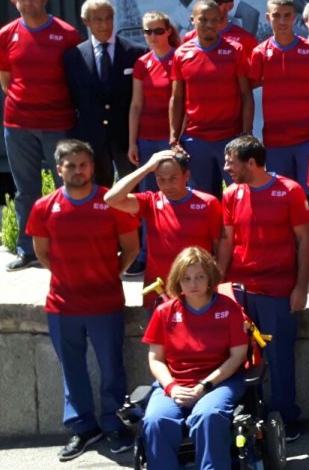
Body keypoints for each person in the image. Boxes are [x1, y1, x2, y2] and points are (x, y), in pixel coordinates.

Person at [30, 139, 139, 460]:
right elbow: (42, 252)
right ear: (58, 169)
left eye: (83, 165)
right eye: (71, 166)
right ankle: (83, 428)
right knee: (72, 369)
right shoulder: (44, 207)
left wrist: (110, 272)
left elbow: (131, 247)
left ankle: (115, 425)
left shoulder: (112, 203)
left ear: (92, 166)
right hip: (63, 306)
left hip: (105, 304)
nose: (78, 171)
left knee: (112, 368)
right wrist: (68, 276)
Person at [218, 135, 309, 441]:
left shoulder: (290, 191)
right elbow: (227, 241)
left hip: (277, 291)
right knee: (240, 357)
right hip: (240, 292)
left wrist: (301, 287)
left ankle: (286, 418)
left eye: (231, 162)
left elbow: (305, 240)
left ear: (251, 163)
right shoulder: (231, 193)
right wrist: (218, 284)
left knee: (279, 357)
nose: (226, 168)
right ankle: (247, 419)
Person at [141, 247, 249, 470]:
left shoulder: (229, 308)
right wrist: (171, 387)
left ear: (210, 278)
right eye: (186, 278)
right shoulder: (164, 312)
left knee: (208, 416)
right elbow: (155, 359)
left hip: (219, 382)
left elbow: (238, 355)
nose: (193, 284)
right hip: (176, 382)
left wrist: (204, 385)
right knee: (155, 420)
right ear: (177, 281)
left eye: (199, 277)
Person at [2, 0, 82, 272]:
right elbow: (6, 80)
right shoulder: (6, 35)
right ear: (14, 1)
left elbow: (76, 79)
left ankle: (68, 247)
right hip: (18, 125)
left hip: (59, 123)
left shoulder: (67, 34)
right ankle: (28, 250)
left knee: (68, 188)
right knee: (26, 191)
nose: (28, 2)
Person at [104, 149, 223, 309]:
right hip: (157, 291)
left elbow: (219, 247)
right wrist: (147, 167)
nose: (167, 185)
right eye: (161, 179)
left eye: (173, 178)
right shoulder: (150, 202)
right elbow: (111, 198)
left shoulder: (208, 203)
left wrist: (217, 283)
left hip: (196, 291)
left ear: (186, 176)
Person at [169, 0, 253, 197]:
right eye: (203, 19)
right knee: (204, 199)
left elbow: (246, 94)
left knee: (241, 196)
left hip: (231, 138)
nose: (209, 24)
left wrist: (246, 133)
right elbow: (177, 98)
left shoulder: (235, 50)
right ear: (192, 20)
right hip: (195, 140)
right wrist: (174, 138)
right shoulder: (181, 54)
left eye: (215, 20)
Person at [248, 0, 309, 189]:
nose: (282, 21)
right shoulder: (260, 53)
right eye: (276, 16)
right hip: (275, 139)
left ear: (295, 17)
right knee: (282, 192)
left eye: (287, 15)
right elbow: (247, 90)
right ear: (268, 17)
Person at [64, 0, 139, 188]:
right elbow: (72, 98)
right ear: (86, 21)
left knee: (133, 191)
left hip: (126, 138)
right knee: (96, 192)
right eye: (98, 20)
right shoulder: (73, 57)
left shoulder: (135, 52)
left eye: (109, 18)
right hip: (91, 138)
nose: (105, 25)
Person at [128, 11, 182, 170]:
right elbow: (136, 105)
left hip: (173, 138)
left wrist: (177, 138)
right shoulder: (141, 63)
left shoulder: (180, 58)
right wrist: (132, 143)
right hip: (146, 138)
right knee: (148, 184)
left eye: (158, 31)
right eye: (148, 31)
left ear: (168, 31)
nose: (153, 36)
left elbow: (185, 102)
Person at [181, 0, 259, 48]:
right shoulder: (190, 37)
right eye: (206, 0)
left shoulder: (245, 40)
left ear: (230, 6)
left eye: (216, 2)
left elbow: (251, 13)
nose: (210, 5)